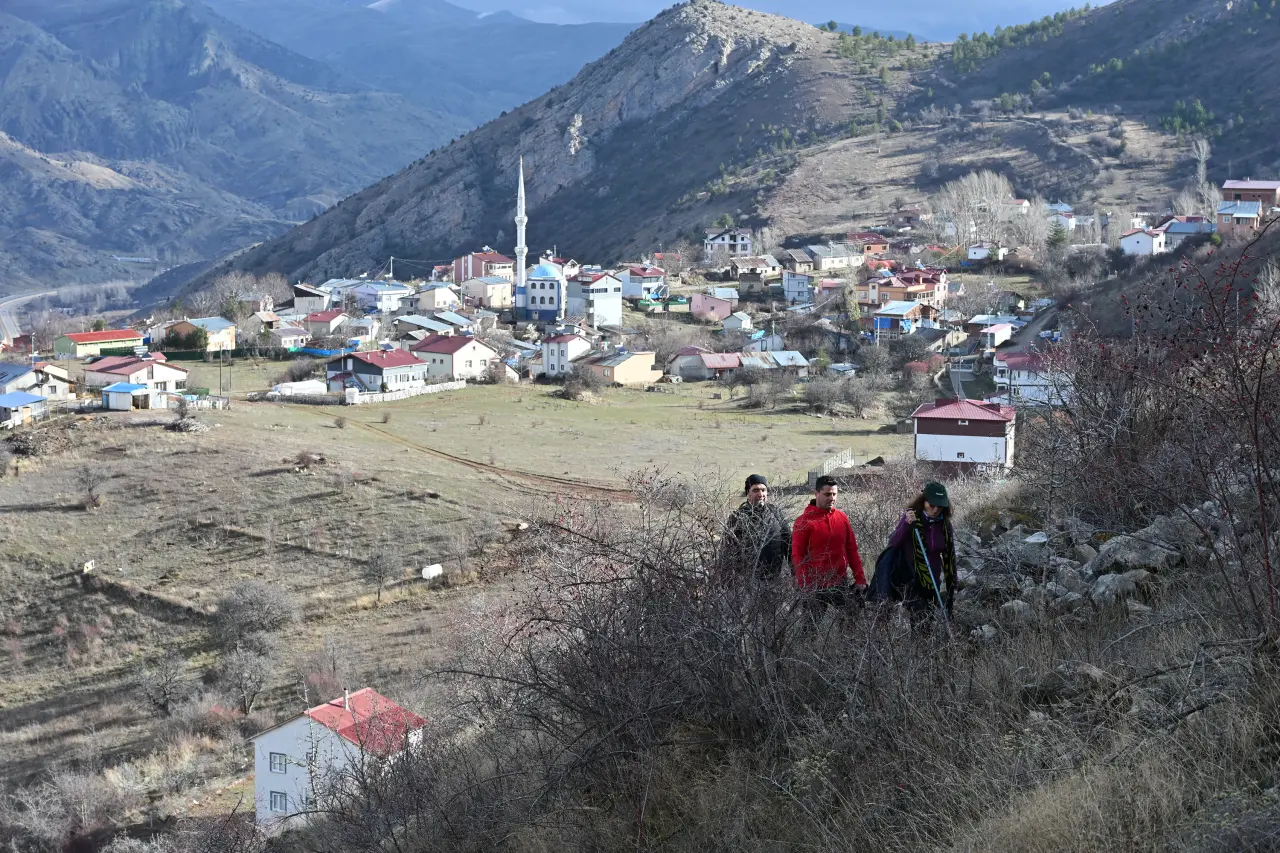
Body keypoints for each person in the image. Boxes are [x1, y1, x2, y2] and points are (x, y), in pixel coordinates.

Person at [791, 475, 866, 610]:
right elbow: (798, 556)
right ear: (816, 493)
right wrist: (805, 585)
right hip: (814, 586)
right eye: (827, 494)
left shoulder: (842, 517)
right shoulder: (803, 522)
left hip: (839, 582)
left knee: (852, 615)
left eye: (834, 494)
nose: (831, 498)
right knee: (810, 628)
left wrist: (860, 578)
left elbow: (852, 550)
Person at [888, 481, 957, 618]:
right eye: (932, 505)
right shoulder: (912, 519)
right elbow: (894, 543)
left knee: (929, 619)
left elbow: (950, 555)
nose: (935, 510)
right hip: (910, 578)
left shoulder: (945, 525)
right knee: (921, 615)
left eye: (940, 506)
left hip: (933, 580)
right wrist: (907, 526)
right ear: (923, 502)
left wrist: (952, 584)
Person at [723, 474, 791, 581]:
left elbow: (789, 545)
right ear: (747, 493)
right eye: (755, 490)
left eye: (763, 490)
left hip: (775, 581)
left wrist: (795, 574)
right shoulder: (738, 518)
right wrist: (727, 581)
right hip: (747, 583)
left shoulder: (776, 513)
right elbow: (727, 552)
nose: (761, 494)